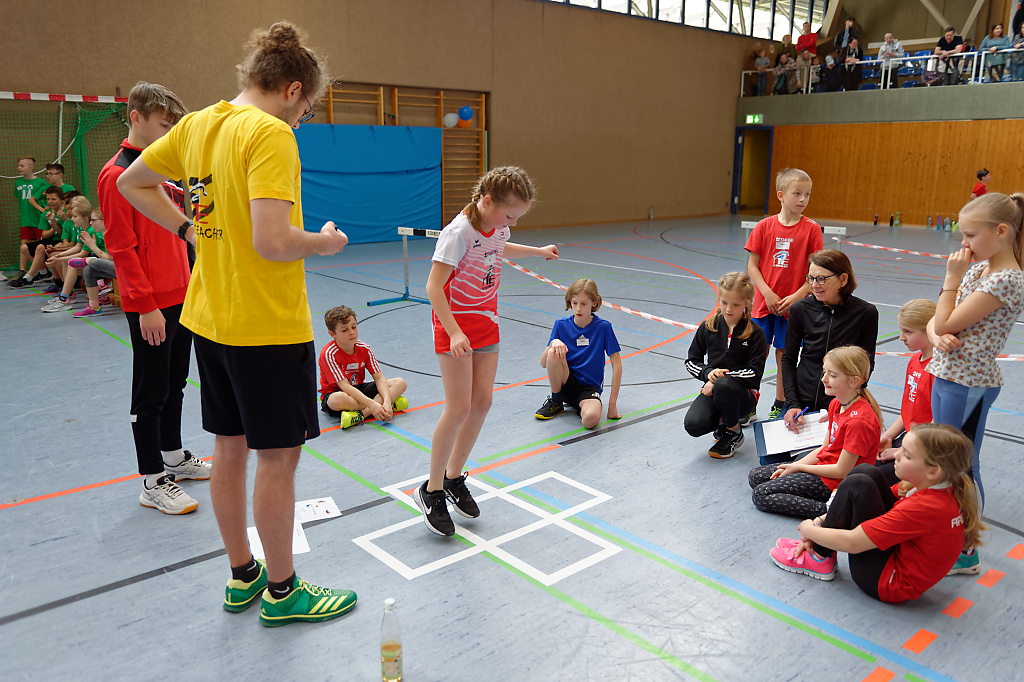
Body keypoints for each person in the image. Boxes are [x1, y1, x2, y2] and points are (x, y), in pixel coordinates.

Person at [117, 23, 355, 626]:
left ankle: (243, 575)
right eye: (305, 108)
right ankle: (283, 591)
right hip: (266, 325)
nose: (301, 118)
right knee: (277, 459)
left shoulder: (199, 123)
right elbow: (272, 242)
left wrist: (187, 229)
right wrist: (324, 242)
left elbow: (130, 181)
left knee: (230, 448)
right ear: (293, 89)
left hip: (210, 319)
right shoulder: (269, 133)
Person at [415, 166, 558, 538]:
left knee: (481, 403)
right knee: (458, 408)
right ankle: (431, 490)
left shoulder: (499, 227)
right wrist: (454, 332)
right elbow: (433, 287)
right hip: (455, 326)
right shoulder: (457, 234)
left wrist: (537, 251)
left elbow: (500, 246)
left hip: (486, 321)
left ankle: (453, 477)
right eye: (510, 215)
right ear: (487, 201)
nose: (512, 223)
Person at [97, 82, 213, 515]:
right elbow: (121, 247)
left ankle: (173, 456)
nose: (170, 134)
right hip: (150, 304)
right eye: (164, 125)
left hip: (181, 296)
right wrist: (145, 305)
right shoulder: (117, 174)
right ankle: (152, 480)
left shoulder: (159, 171)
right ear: (136, 117)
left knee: (175, 383)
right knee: (149, 392)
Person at [770, 424, 984, 601]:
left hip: (886, 582)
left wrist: (808, 529)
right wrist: (819, 524)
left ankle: (818, 557)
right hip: (897, 554)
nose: (896, 455)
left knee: (858, 483)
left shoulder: (925, 507)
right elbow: (855, 502)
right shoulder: (937, 486)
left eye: (907, 455)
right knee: (865, 473)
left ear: (933, 471)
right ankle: (822, 553)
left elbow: (853, 543)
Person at [927, 192, 1024, 574]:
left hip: (969, 382)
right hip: (946, 372)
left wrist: (950, 281)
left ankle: (967, 548)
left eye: (970, 235)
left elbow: (946, 320)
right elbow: (937, 323)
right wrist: (936, 336)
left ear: (1001, 231)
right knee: (942, 460)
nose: (963, 244)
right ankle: (946, 532)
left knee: (961, 466)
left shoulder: (1007, 280)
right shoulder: (978, 269)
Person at [749, 345, 882, 519]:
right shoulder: (836, 403)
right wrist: (794, 467)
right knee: (755, 476)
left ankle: (833, 510)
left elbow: (842, 471)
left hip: (835, 481)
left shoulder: (859, 422)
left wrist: (799, 467)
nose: (824, 379)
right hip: (823, 468)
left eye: (832, 375)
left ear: (853, 381)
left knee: (761, 494)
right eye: (824, 372)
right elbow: (824, 448)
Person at [746, 168, 822, 420]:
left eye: (807, 194)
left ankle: (781, 402)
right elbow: (752, 266)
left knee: (784, 356)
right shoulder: (764, 226)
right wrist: (767, 293)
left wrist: (797, 297)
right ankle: (749, 401)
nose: (803, 199)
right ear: (780, 195)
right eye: (797, 193)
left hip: (794, 308)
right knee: (757, 354)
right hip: (763, 305)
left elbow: (816, 272)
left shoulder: (811, 230)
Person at [782, 249, 878, 431]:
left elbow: (866, 364)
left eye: (821, 279)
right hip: (801, 400)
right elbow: (788, 359)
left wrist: (845, 403)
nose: (814, 285)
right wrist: (792, 402)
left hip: (841, 401)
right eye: (810, 278)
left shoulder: (866, 313)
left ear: (843, 279)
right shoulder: (800, 309)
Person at [684, 272, 767, 458]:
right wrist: (707, 373)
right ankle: (722, 422)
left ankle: (734, 432)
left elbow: (754, 373)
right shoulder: (708, 327)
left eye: (736, 304)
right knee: (693, 425)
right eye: (724, 302)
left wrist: (717, 379)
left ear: (747, 303)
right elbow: (691, 361)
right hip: (715, 390)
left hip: (744, 396)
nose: (728, 309)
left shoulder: (755, 333)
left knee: (723, 384)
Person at [535, 278, 622, 429]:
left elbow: (617, 365)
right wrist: (553, 343)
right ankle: (556, 401)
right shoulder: (561, 325)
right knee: (554, 351)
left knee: (590, 420)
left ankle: (582, 406)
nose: (578, 309)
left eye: (583, 304)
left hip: (588, 389)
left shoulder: (603, 327)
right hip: (565, 381)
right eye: (574, 303)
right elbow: (543, 363)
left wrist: (612, 403)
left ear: (594, 303)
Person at [318, 305, 409, 429]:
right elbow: (344, 386)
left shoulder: (365, 348)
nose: (351, 332)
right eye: (344, 330)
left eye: (354, 327)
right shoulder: (329, 353)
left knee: (400, 383)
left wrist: (387, 401)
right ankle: (378, 406)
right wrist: (372, 404)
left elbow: (379, 378)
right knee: (337, 399)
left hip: (358, 389)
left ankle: (362, 414)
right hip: (338, 393)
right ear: (332, 334)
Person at [877, 299, 936, 481]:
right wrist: (888, 436)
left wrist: (902, 451)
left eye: (908, 332)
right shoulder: (914, 360)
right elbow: (909, 410)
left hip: (925, 446)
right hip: (909, 438)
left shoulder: (938, 370)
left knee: (872, 478)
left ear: (930, 330)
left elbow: (938, 423)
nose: (901, 337)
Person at [40, 200, 107, 313]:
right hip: (98, 259)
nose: (71, 218)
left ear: (85, 218)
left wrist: (58, 258)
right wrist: (59, 255)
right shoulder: (83, 229)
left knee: (71, 263)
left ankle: (65, 297)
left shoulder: (91, 231)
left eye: (75, 216)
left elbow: (82, 254)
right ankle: (67, 295)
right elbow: (77, 247)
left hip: (101, 261)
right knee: (68, 261)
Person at [9, 185, 65, 288]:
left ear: (61, 200)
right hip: (50, 240)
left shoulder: (64, 213)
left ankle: (28, 278)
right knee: (24, 247)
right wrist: (53, 227)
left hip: (61, 240)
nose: (50, 201)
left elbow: (63, 234)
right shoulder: (45, 214)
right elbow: (45, 235)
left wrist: (55, 223)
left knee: (40, 247)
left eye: (53, 199)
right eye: (48, 199)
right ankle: (43, 272)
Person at [68, 210, 118, 318]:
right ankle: (94, 307)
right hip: (116, 267)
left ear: (105, 220)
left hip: (126, 269)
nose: (91, 223)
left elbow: (115, 259)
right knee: (88, 270)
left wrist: (93, 248)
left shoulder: (115, 234)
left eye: (94, 220)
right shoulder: (106, 234)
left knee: (94, 261)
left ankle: (87, 260)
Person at [13, 156, 48, 278]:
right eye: (18, 166)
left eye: (22, 166)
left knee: (39, 246)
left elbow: (46, 200)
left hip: (38, 220)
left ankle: (44, 270)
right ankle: (22, 270)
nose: (19, 168)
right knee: (24, 246)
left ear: (31, 167)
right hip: (25, 220)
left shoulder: (41, 183)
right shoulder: (18, 183)